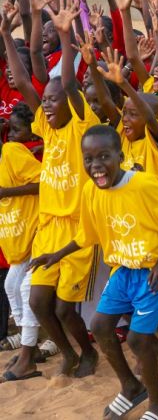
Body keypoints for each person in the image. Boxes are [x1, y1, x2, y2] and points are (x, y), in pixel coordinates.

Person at [30, 124, 158, 420]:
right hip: (123, 271)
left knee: (137, 340)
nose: (96, 166)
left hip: (150, 274)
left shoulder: (145, 185)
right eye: (89, 159)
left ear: (120, 156)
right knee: (101, 327)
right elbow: (86, 235)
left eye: (104, 157)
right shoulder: (91, 191)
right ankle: (131, 386)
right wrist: (56, 254)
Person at [2, 0, 101, 378]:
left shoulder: (79, 124)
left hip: (78, 228)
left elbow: (70, 86)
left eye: (52, 101)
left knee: (63, 307)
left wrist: (64, 33)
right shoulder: (47, 126)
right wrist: (5, 37)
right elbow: (26, 83)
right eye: (44, 102)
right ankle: (68, 353)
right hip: (48, 227)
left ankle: (86, 352)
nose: (45, 106)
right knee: (39, 300)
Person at [0, 103, 42, 381]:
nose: (14, 133)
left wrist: (7, 191)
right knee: (10, 285)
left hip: (35, 229)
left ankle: (28, 353)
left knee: (26, 287)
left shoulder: (12, 151)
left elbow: (42, 182)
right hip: (18, 234)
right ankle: (31, 344)